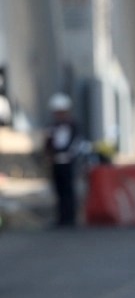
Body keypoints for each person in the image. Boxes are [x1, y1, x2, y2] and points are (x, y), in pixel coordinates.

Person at [43, 92, 81, 227]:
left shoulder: (72, 125)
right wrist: (49, 155)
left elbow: (75, 144)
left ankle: (70, 218)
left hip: (67, 163)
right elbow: (48, 143)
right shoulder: (52, 127)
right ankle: (61, 218)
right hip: (55, 163)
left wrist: (66, 155)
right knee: (59, 191)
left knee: (68, 191)